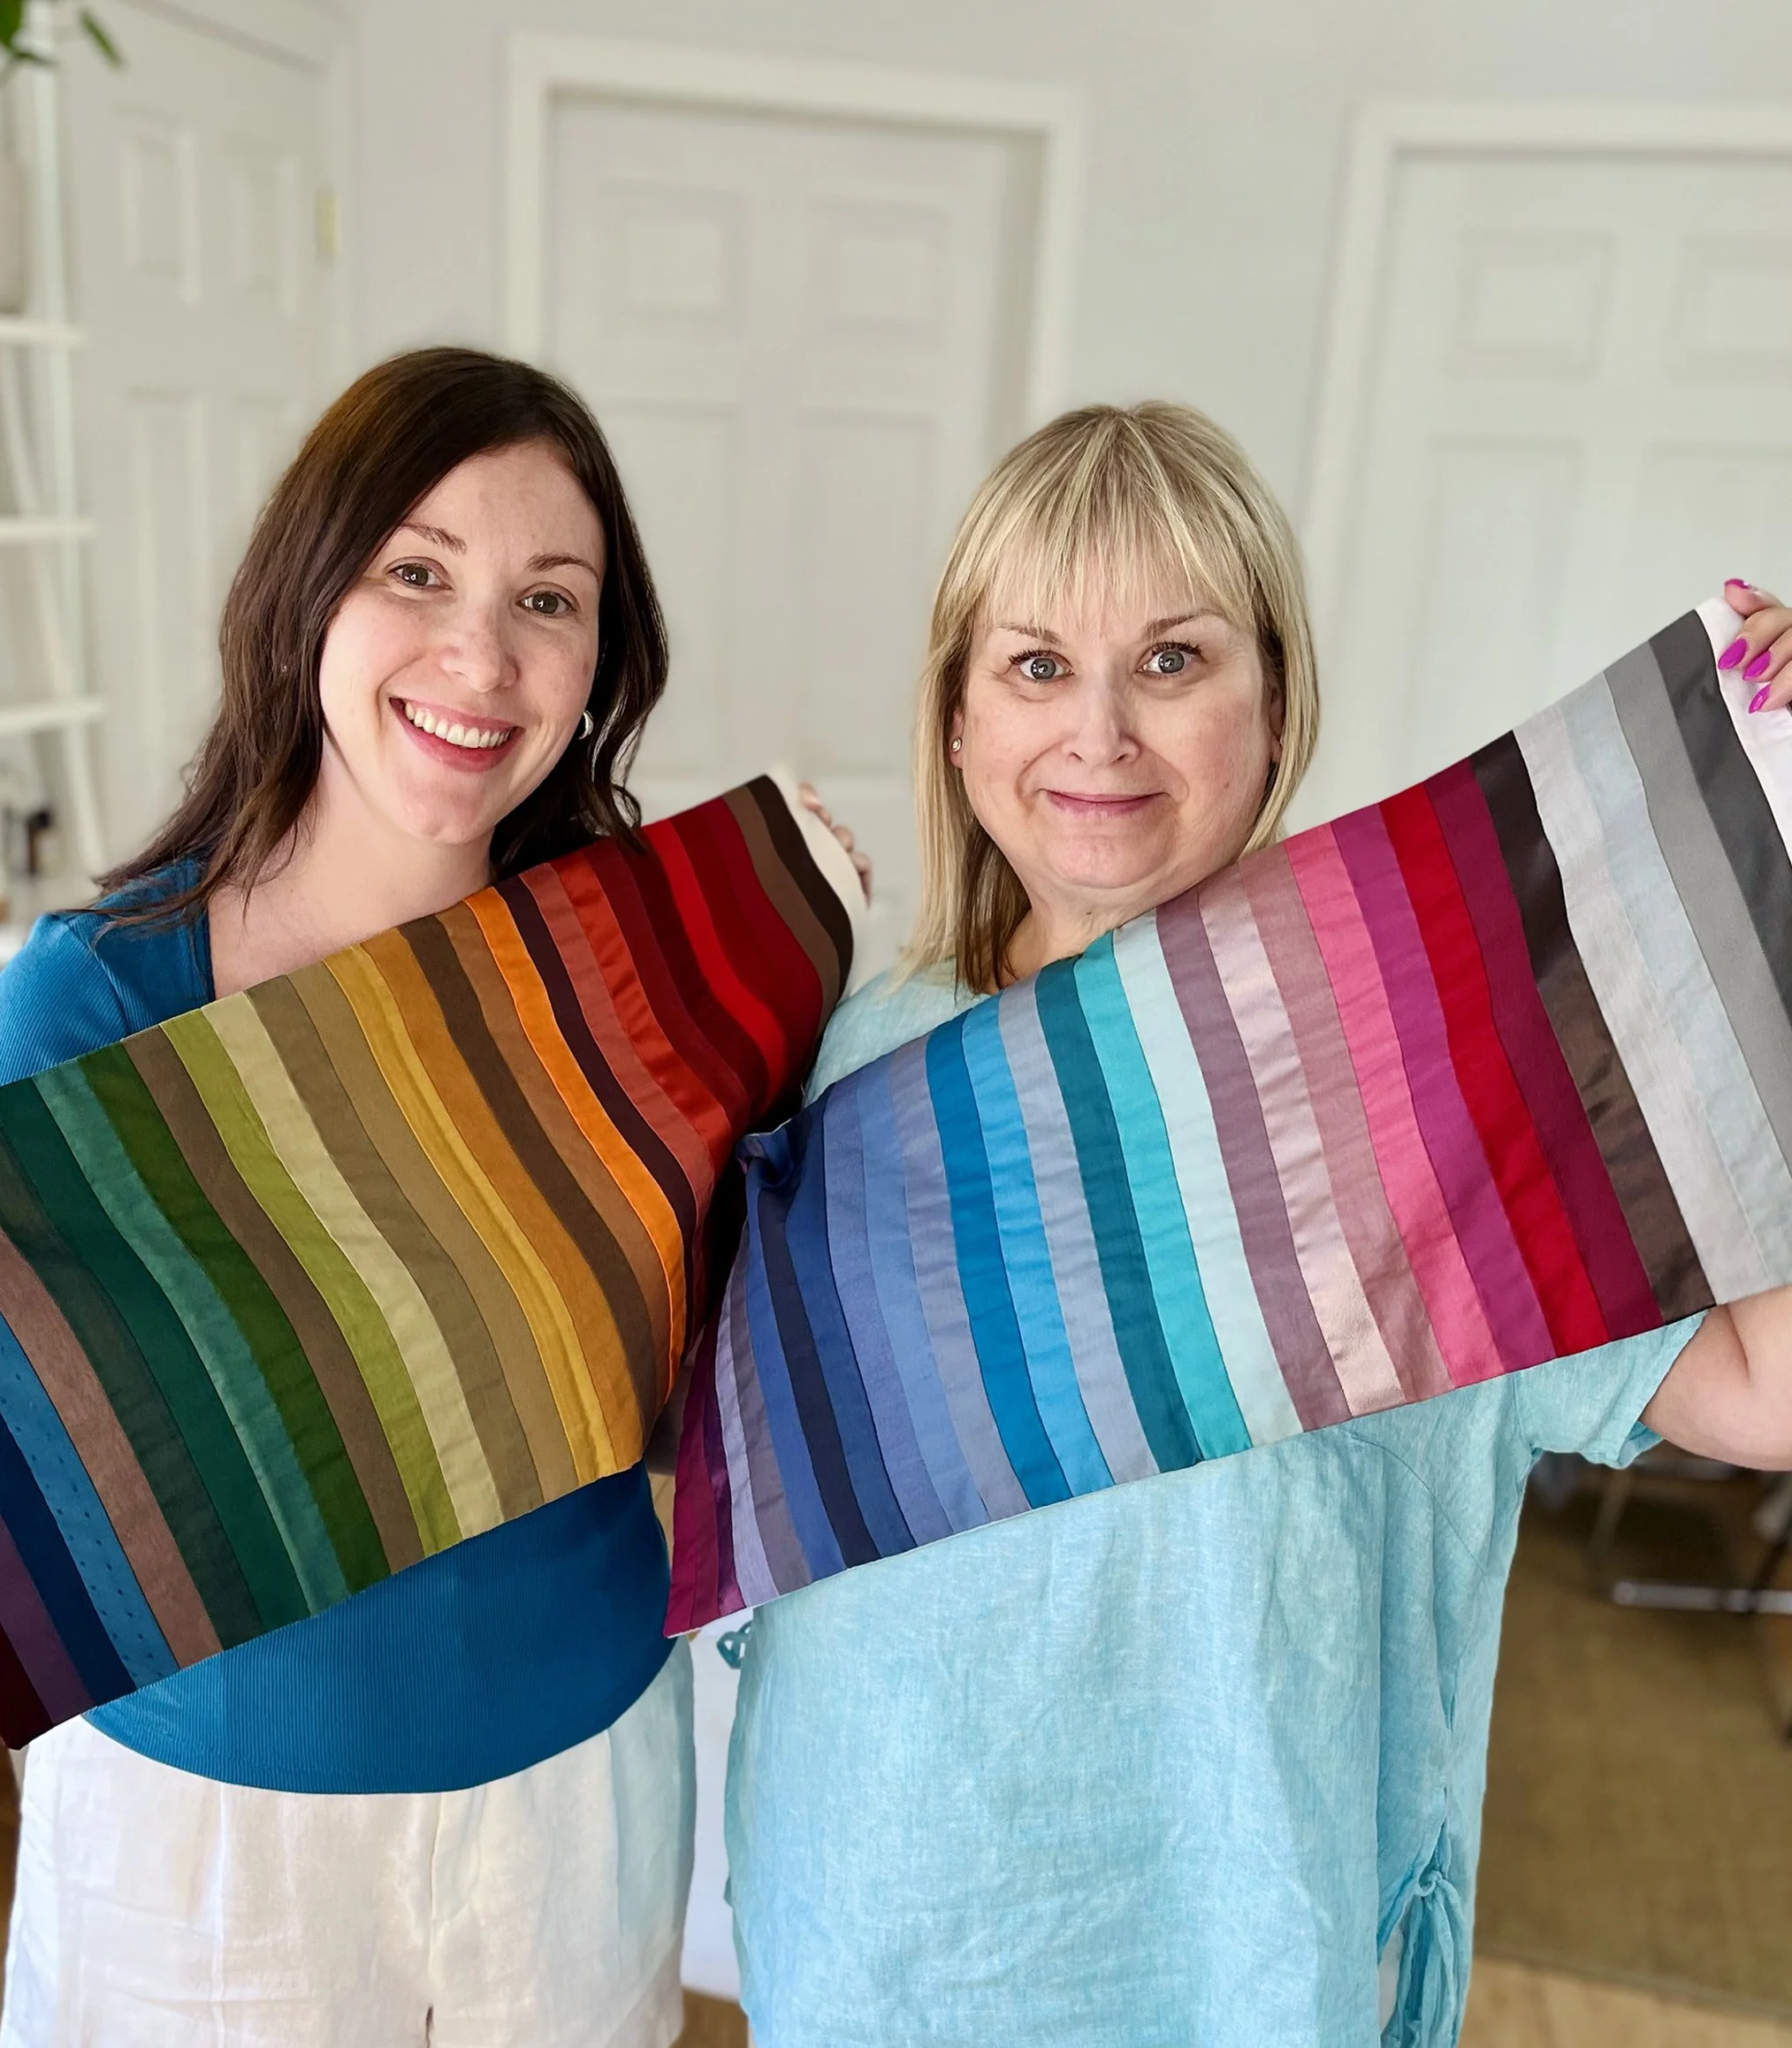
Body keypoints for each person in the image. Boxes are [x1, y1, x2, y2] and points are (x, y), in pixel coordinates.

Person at [0, 346, 848, 2048]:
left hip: (575, 1797)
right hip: (206, 1835)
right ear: (306, 593)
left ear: (600, 657)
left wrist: (803, 937)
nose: (482, 657)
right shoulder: (105, 1000)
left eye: (549, 600)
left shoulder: (645, 977)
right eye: (417, 571)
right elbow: (24, 1466)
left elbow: (707, 1397)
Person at [721, 401, 1792, 2047]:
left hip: (1239, 1960)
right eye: (1033, 666)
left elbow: (1757, 1394)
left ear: (1274, 703)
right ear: (951, 721)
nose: (1100, 736)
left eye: (1171, 662)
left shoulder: (1419, 1070)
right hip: (881, 1940)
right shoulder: (832, 1070)